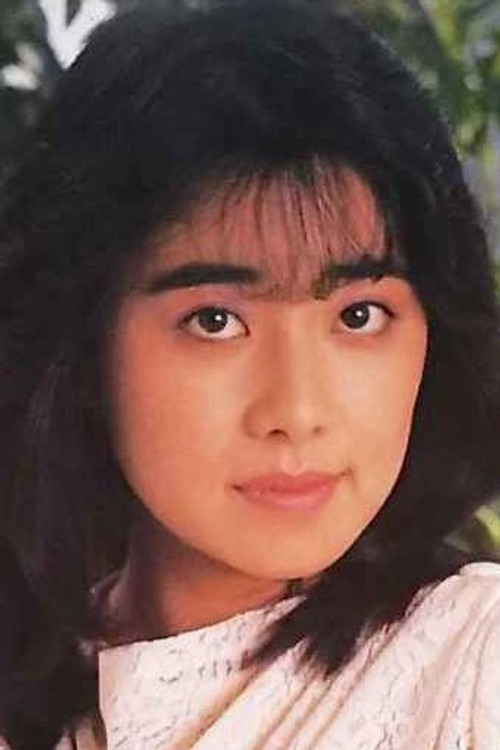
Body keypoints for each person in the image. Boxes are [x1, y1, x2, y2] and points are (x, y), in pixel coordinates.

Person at [0, 0, 499, 748]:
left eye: (359, 315)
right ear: (84, 342)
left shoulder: (473, 664)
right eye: (216, 320)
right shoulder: (35, 685)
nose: (296, 412)